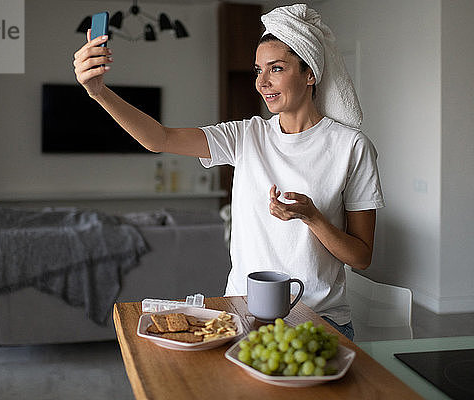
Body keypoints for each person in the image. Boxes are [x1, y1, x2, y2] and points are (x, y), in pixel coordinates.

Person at [73, 4, 384, 341]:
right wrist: (98, 92)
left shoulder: (351, 146)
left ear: (310, 74)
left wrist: (312, 217)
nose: (262, 82)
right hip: (243, 314)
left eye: (276, 69)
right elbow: (159, 138)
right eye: (257, 70)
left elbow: (361, 257)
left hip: (319, 320)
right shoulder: (246, 136)